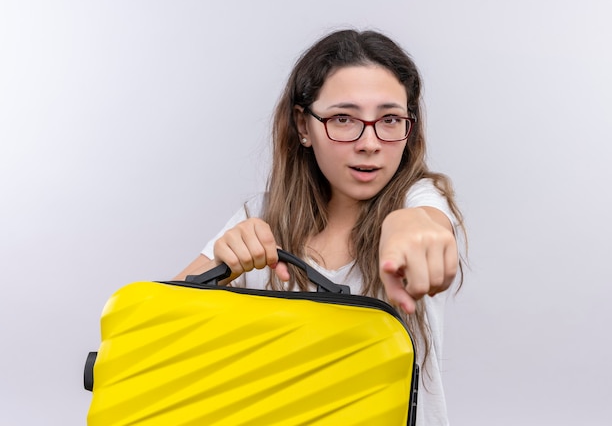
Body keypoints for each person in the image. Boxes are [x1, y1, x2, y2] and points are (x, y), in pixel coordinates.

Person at [176, 28, 466, 425]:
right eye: (344, 118)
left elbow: (428, 220)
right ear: (303, 125)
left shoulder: (421, 198)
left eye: (390, 119)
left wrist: (411, 226)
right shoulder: (259, 216)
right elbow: (153, 328)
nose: (369, 142)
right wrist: (220, 272)